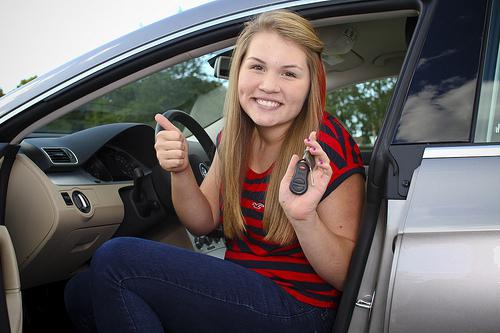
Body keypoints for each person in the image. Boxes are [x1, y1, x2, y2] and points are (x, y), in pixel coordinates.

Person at [64, 10, 365, 333]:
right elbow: (202, 219)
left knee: (116, 261)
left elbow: (347, 274)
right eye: (257, 67)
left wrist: (304, 218)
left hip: (301, 309)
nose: (268, 85)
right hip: (245, 289)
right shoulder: (235, 137)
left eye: (289, 74)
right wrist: (180, 170)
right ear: (238, 71)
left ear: (310, 85)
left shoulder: (323, 142)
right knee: (80, 293)